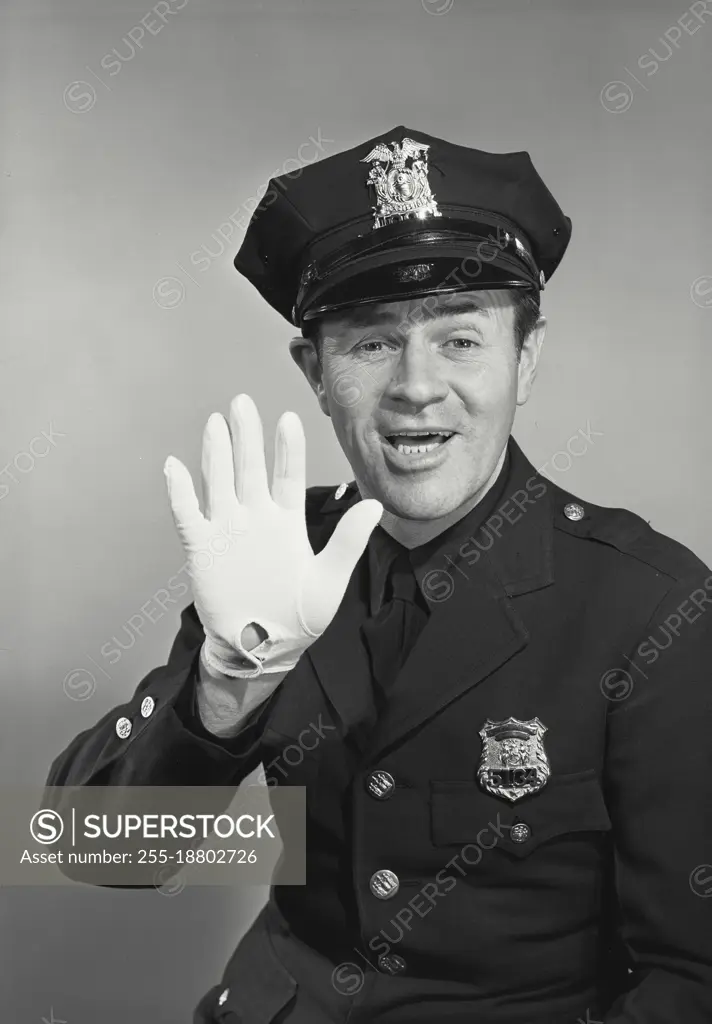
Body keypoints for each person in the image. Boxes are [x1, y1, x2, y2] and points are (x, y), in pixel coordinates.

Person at [44, 126, 712, 1024]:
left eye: (462, 341)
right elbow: (98, 847)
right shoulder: (274, 554)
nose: (417, 388)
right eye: (370, 345)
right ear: (315, 372)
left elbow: (693, 978)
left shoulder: (650, 608)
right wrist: (229, 682)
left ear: (529, 358)